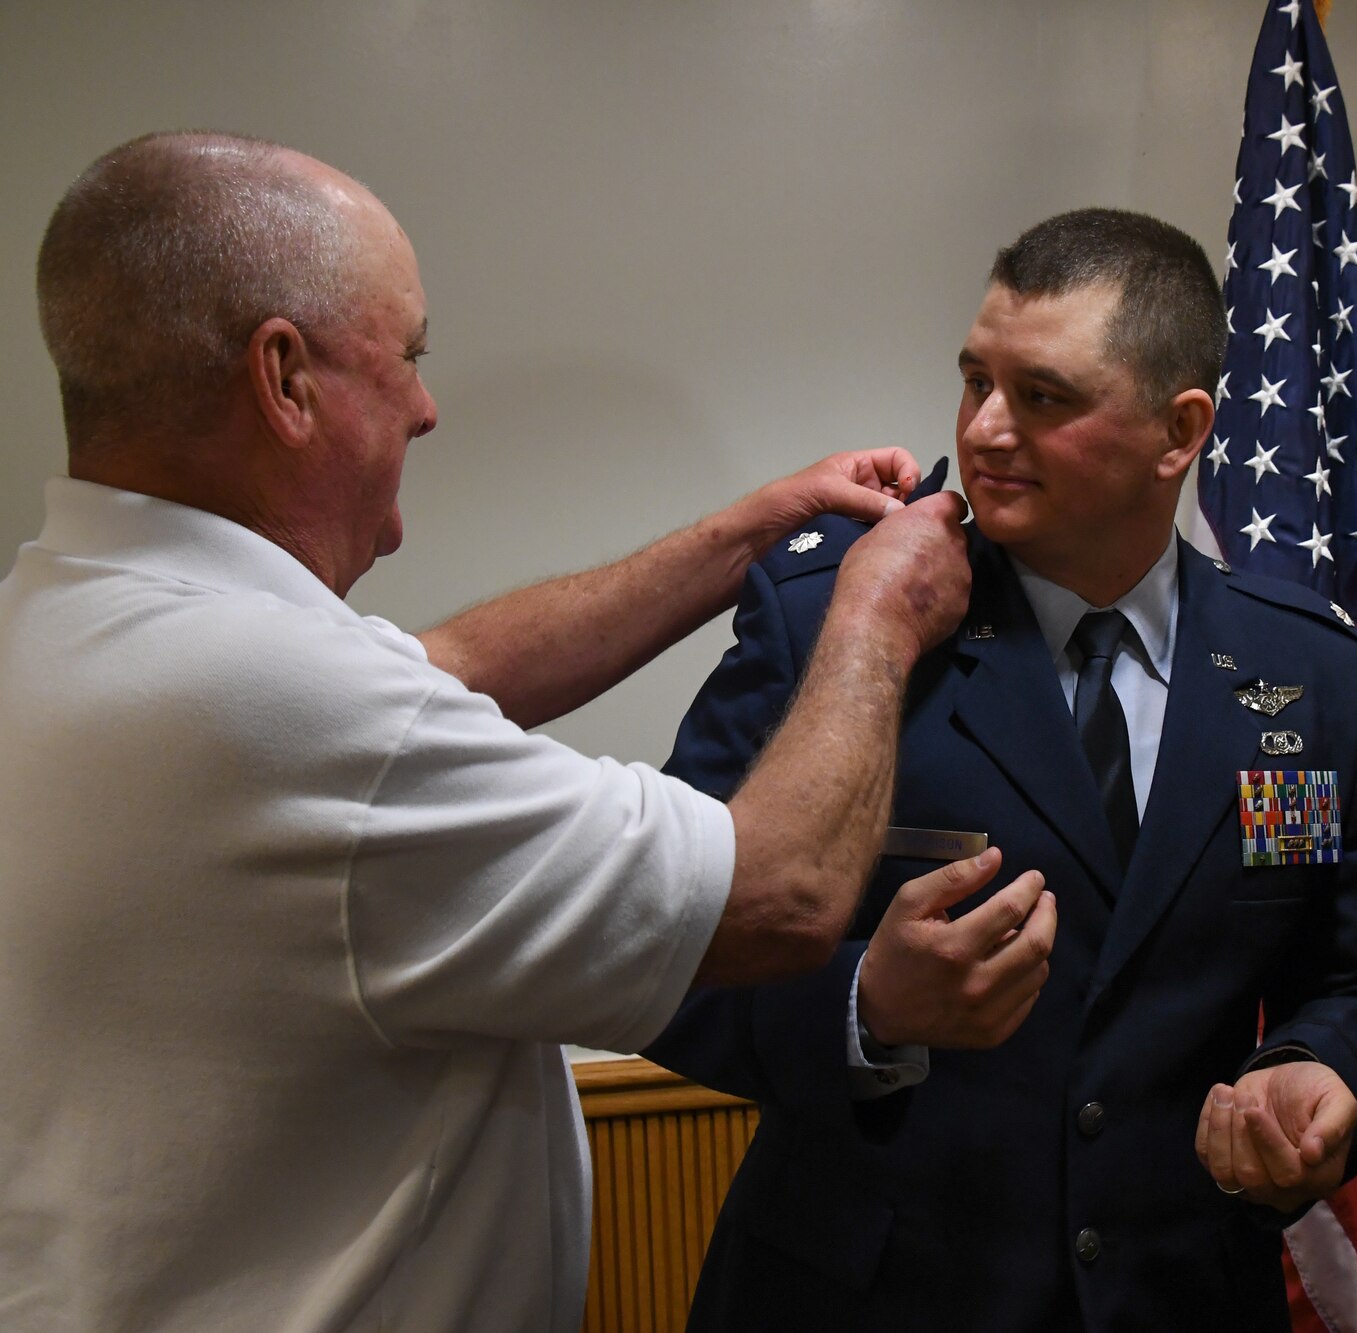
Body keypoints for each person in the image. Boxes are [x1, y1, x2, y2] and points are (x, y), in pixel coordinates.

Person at [0, 132, 972, 1332]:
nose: (426, 405)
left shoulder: (77, 623)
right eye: (405, 356)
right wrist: (876, 613)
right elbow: (777, 891)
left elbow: (446, 669)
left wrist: (751, 530)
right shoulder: (275, 700)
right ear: (285, 379)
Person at [642, 208, 1357, 1331]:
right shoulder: (837, 618)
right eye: (974, 381)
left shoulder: (1309, 669)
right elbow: (655, 944)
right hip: (872, 1300)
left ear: (1180, 429)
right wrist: (864, 1006)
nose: (984, 431)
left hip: (1177, 1297)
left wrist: (1317, 1068)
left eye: (1042, 396)